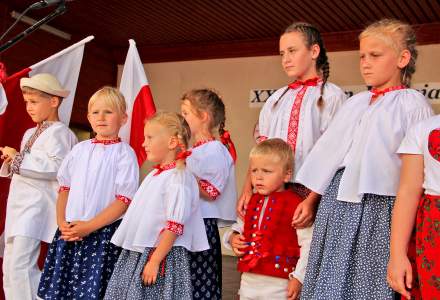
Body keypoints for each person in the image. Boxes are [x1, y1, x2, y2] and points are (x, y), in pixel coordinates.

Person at [295, 19, 433, 299]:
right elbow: (332, 155)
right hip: (337, 202)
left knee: (367, 277)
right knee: (330, 274)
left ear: (402, 58)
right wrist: (311, 198)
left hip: (380, 206)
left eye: (375, 55)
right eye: (362, 56)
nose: (365, 63)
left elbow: (420, 168)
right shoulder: (355, 102)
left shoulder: (412, 104)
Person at [237, 22, 347, 230]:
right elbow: (262, 151)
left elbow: (336, 155)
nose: (285, 59)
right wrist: (247, 189)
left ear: (314, 51)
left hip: (312, 195)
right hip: (275, 192)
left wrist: (313, 199)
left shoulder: (333, 96)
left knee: (305, 255)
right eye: (282, 53)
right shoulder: (276, 99)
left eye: (292, 51)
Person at [37, 86, 139, 299]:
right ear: (88, 117)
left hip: (102, 234)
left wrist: (89, 227)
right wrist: (62, 223)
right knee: (63, 290)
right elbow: (65, 188)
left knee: (93, 292)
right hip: (70, 231)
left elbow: (123, 200)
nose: (101, 117)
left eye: (108, 112)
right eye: (95, 112)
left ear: (123, 118)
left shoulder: (125, 154)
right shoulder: (79, 150)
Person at [104, 112, 209, 300]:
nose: (144, 144)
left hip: (161, 256)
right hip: (142, 251)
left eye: (149, 138)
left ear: (171, 142)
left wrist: (154, 260)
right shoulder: (156, 175)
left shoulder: (178, 179)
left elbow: (174, 226)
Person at [0, 73, 77, 299]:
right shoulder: (29, 133)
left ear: (54, 101)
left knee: (21, 266)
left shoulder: (61, 133)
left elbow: (57, 167)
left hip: (37, 206)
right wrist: (11, 161)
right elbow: (25, 168)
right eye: (26, 102)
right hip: (20, 206)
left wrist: (17, 159)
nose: (29, 108)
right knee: (11, 267)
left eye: (34, 102)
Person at [223, 138, 312, 300]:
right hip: (249, 280)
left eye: (266, 171)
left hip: (280, 283)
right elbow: (238, 227)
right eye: (254, 171)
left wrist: (299, 277)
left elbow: (308, 243)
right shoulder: (252, 201)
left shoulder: (296, 204)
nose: (258, 177)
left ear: (286, 175)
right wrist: (232, 238)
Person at [181, 89, 237, 299]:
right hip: (189, 220)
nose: (183, 118)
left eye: (186, 113)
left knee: (200, 278)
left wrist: (184, 174)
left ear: (203, 116)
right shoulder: (194, 150)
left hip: (202, 224)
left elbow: (211, 191)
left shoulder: (215, 150)